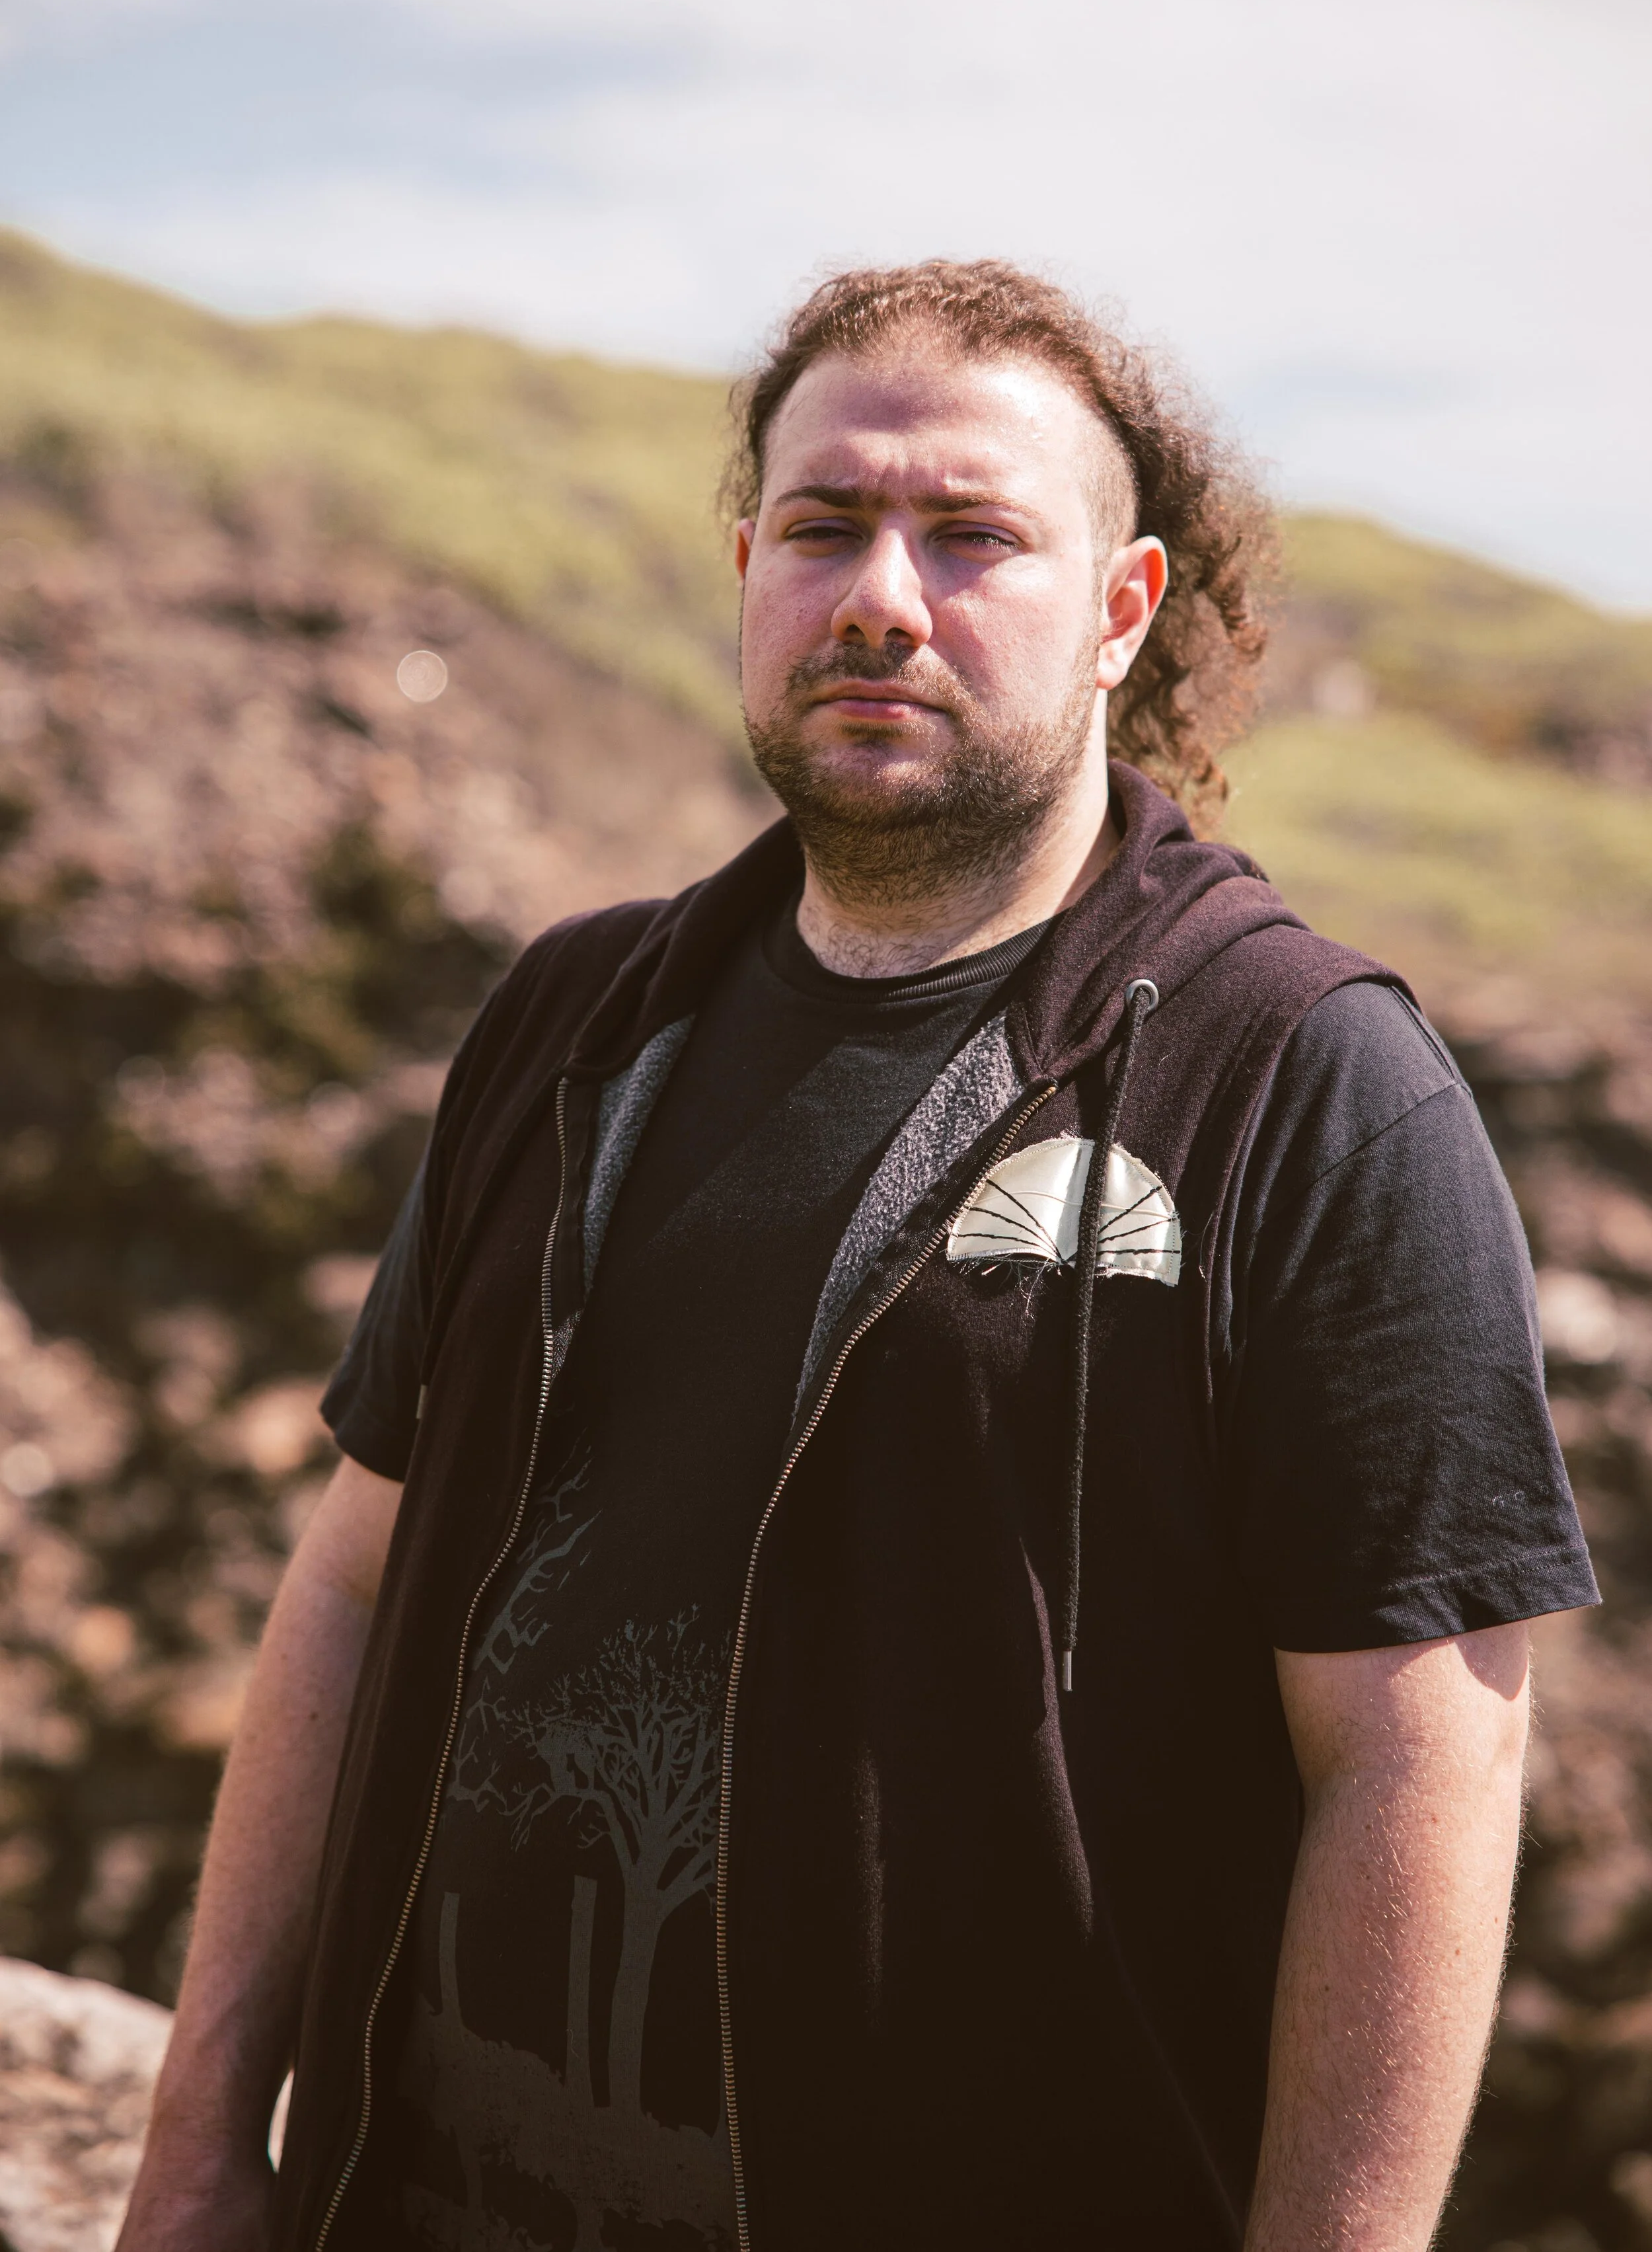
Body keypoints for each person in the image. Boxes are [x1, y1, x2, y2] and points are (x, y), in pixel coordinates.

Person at [118, 260, 1596, 2252]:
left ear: (1117, 611)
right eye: (822, 526)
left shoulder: (1307, 1085)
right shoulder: (571, 1023)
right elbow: (352, 1584)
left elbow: (1419, 1757)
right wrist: (205, 2144)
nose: (880, 594)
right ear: (747, 568)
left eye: (973, 534)